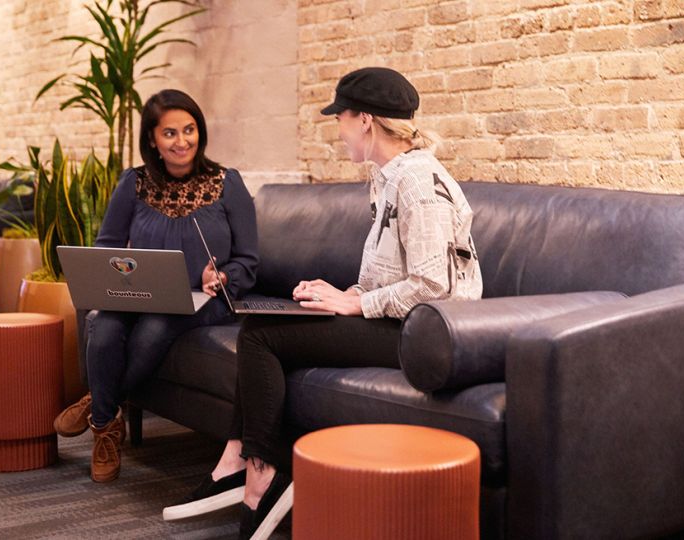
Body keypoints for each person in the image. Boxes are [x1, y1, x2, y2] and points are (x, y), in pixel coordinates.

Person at [162, 67, 484, 540]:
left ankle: (257, 475)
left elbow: (432, 286)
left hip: (430, 335)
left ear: (366, 122)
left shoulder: (417, 181)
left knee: (263, 335)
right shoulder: (388, 178)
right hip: (402, 322)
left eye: (341, 118)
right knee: (261, 321)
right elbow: (394, 275)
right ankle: (241, 462)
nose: (338, 130)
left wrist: (355, 306)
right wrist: (341, 294)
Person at [53, 89, 258, 483]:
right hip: (139, 295)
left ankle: (99, 410)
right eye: (170, 133)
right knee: (104, 324)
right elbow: (107, 247)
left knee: (156, 327)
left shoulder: (226, 183)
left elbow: (248, 260)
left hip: (205, 302)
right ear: (152, 139)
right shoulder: (133, 183)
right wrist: (117, 277)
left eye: (190, 130)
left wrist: (222, 275)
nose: (182, 142)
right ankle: (108, 423)